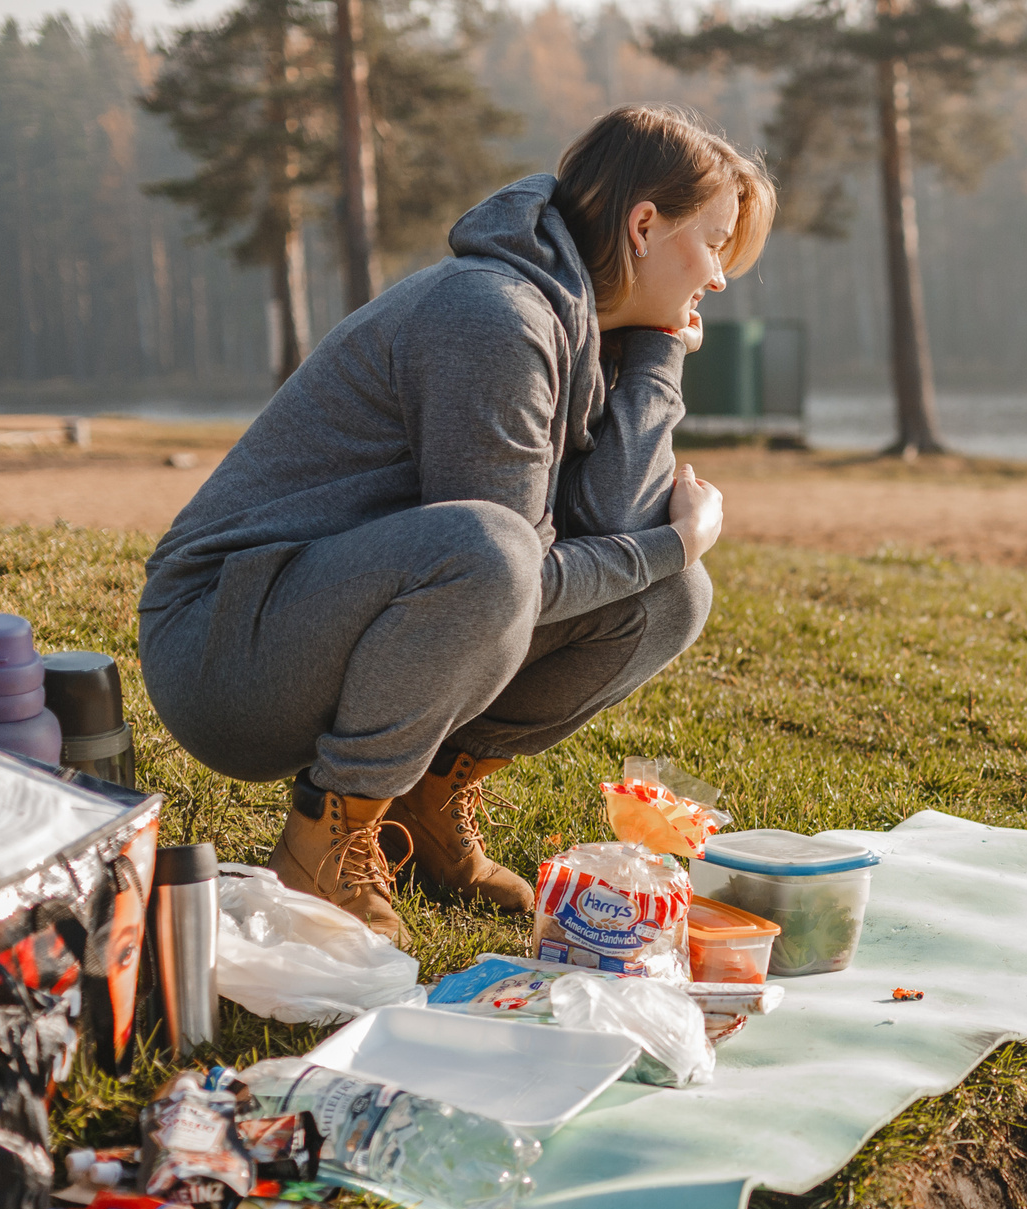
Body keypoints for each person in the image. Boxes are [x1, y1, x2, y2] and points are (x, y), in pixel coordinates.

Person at [138, 105, 775, 943]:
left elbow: (606, 525)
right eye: (715, 243)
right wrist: (675, 538)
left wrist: (657, 356)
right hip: (223, 649)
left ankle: (425, 804)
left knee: (671, 596)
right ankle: (327, 838)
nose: (722, 278)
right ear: (645, 224)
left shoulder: (592, 332)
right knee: (505, 552)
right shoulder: (494, 318)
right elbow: (523, 573)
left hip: (331, 616)